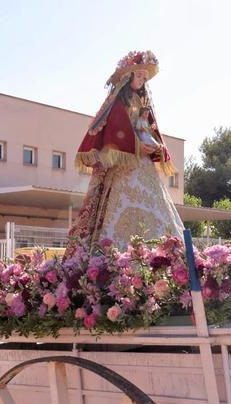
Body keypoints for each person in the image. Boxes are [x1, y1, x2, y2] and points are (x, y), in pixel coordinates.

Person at [66, 50, 183, 254]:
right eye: (139, 75)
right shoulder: (119, 102)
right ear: (128, 76)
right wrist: (137, 145)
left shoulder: (143, 103)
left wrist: (155, 145)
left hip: (143, 164)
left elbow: (148, 128)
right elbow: (116, 129)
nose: (142, 80)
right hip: (125, 165)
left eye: (145, 78)